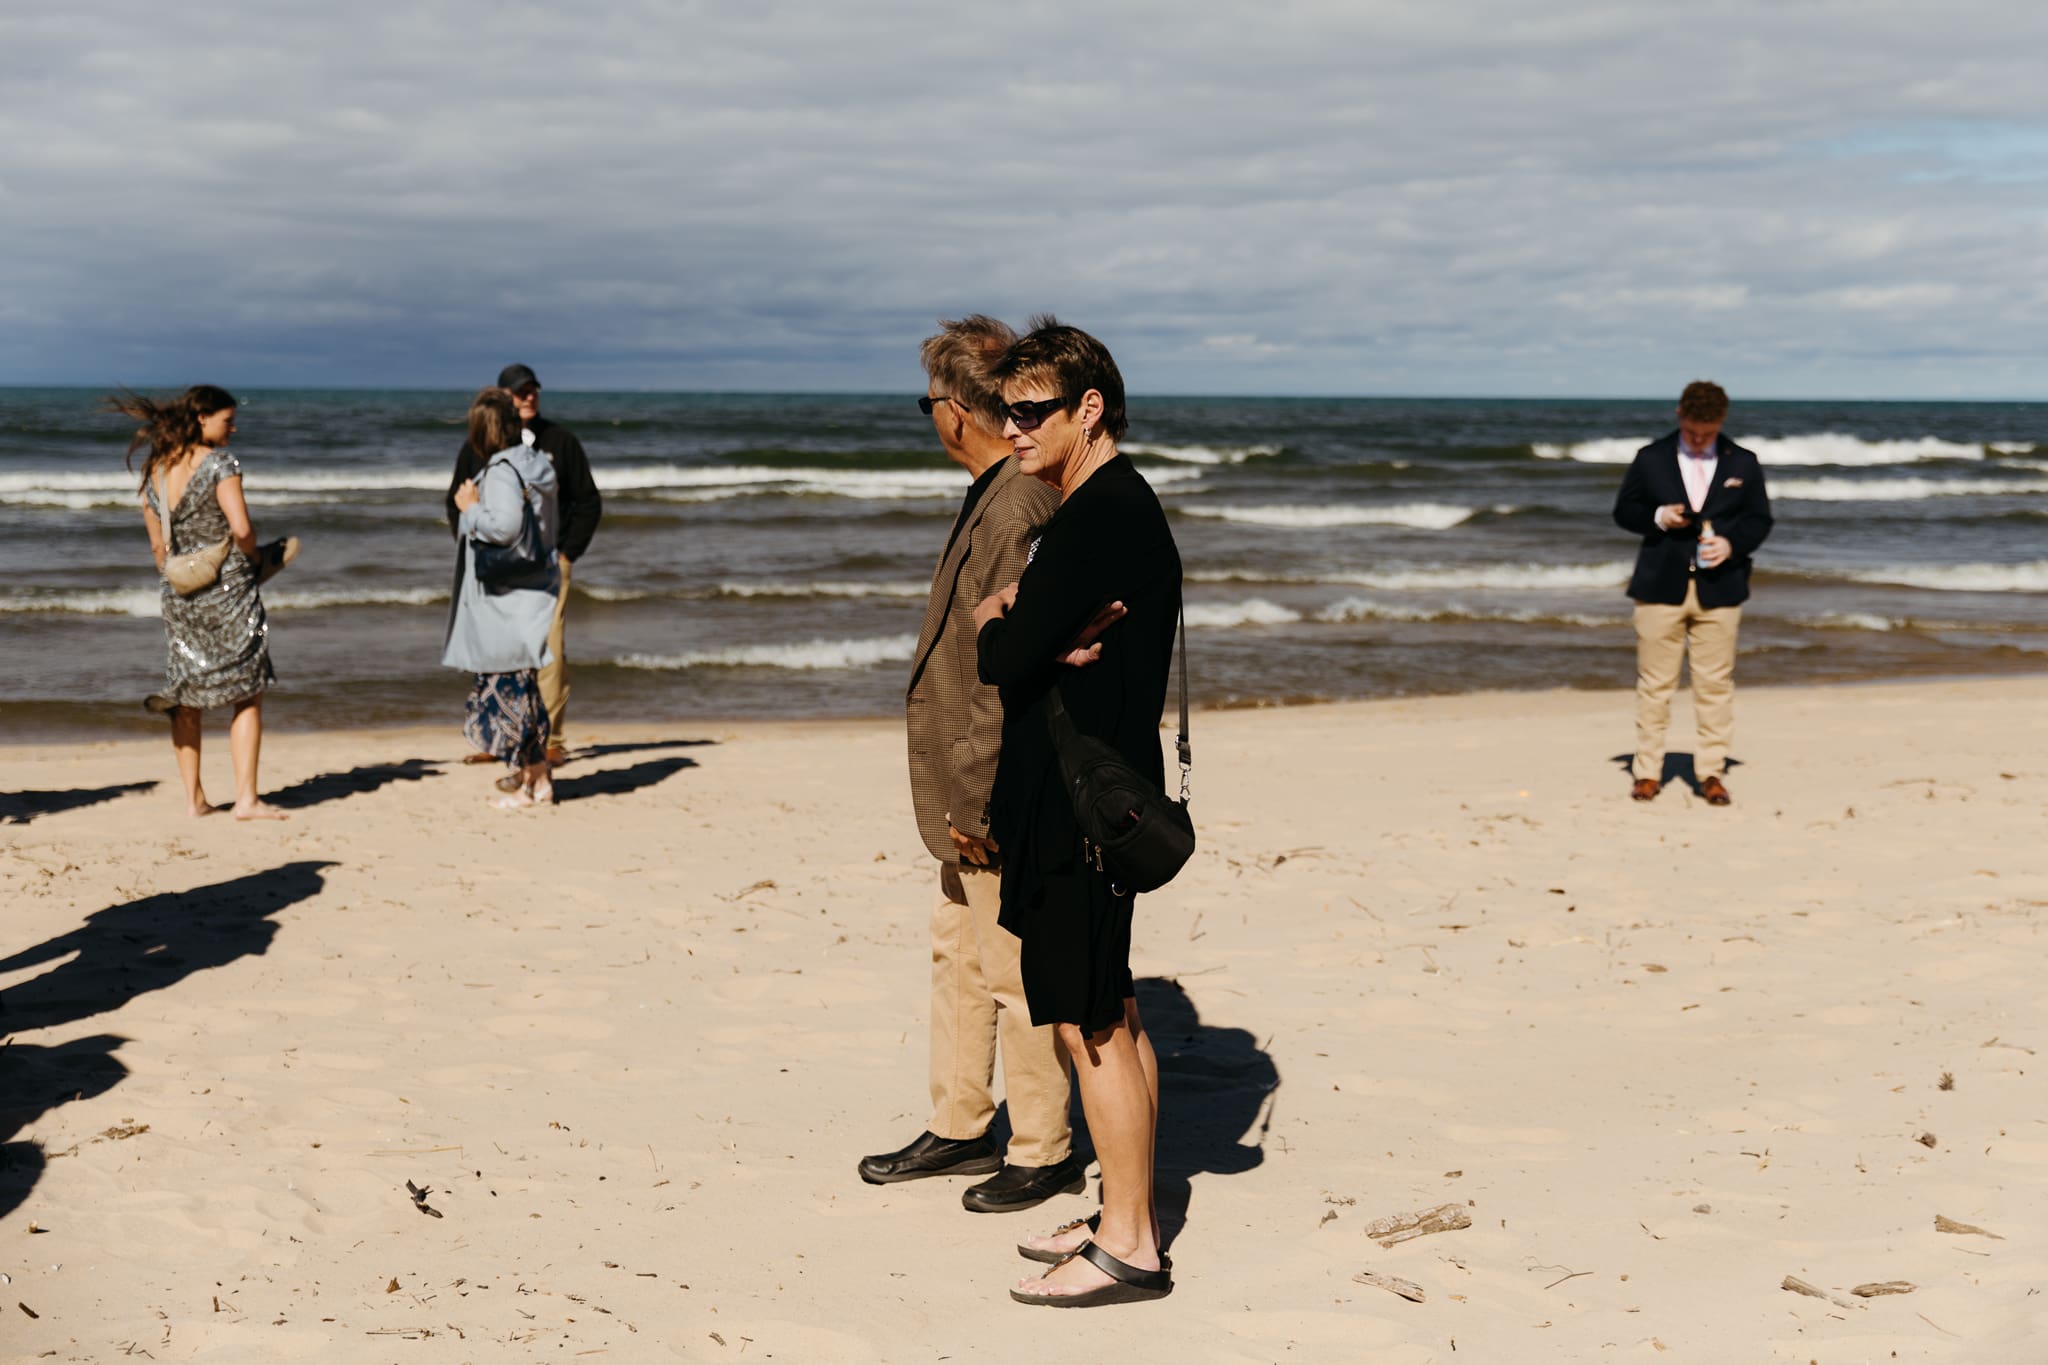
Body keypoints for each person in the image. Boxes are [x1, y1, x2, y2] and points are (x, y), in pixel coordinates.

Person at [973, 318, 1181, 1308]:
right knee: (1110, 1008)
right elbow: (1037, 641)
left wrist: (1000, 620)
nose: (1008, 428)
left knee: (1088, 1021)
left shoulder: (1100, 512)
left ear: (1085, 409)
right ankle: (1119, 1211)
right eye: (999, 411)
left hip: (1080, 806)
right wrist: (1031, 615)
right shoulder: (1099, 507)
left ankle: (1130, 1243)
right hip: (1088, 793)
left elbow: (1004, 660)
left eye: (1027, 411)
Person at [859, 317, 1083, 1213]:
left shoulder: (1018, 503)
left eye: (929, 402)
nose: (932, 418)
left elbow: (1007, 669)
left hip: (987, 779)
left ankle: (1043, 1144)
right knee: (958, 951)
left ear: (957, 410)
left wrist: (974, 794)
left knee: (1008, 962)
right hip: (963, 773)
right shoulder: (994, 491)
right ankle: (959, 1123)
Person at [114, 384, 286, 821]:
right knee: (247, 690)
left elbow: (157, 547)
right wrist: (255, 561)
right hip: (229, 586)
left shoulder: (154, 469)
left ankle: (194, 801)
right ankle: (246, 800)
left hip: (178, 592)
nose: (233, 426)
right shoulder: (219, 464)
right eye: (227, 419)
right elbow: (242, 528)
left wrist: (179, 581)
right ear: (201, 419)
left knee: (185, 692)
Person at [1612, 380, 1774, 805]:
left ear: (1721, 422)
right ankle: (1647, 772)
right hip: (1658, 585)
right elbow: (1623, 511)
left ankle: (1711, 773)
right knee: (1655, 684)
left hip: (1721, 588)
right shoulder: (1651, 458)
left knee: (1714, 685)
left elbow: (1760, 519)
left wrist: (1732, 544)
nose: (1700, 439)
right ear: (1679, 416)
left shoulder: (1744, 461)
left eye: (1708, 432)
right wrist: (1659, 516)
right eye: (1692, 431)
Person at [445, 364, 600, 771]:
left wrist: (566, 553)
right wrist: (476, 551)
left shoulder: (558, 443)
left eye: (532, 390)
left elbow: (586, 501)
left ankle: (550, 740)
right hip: (495, 569)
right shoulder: (477, 450)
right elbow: (457, 499)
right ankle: (498, 735)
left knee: (547, 650)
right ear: (503, 399)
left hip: (545, 566)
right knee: (497, 654)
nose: (527, 397)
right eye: (519, 392)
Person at [444, 388, 561, 809]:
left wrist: (470, 509)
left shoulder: (500, 471)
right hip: (532, 590)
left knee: (508, 689)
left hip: (507, 599)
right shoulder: (536, 465)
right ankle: (537, 780)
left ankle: (534, 782)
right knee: (522, 688)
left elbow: (507, 527)